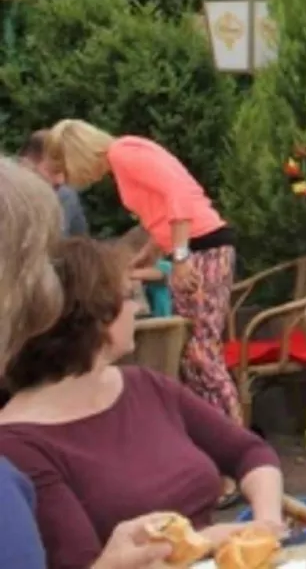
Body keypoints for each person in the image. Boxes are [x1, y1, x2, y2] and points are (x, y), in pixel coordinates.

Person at [0, 237, 284, 569]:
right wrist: (214, 538)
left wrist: (266, 523)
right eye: (129, 297)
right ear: (95, 318)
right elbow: (83, 562)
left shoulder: (144, 385)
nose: (138, 308)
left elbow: (249, 452)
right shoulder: (17, 444)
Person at [0, 158, 180, 569]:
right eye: (37, 266)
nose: (50, 294)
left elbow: (248, 454)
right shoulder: (13, 457)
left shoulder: (142, 385)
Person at [45, 121, 241, 421]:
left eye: (65, 168)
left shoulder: (125, 154)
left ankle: (235, 437)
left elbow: (178, 196)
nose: (66, 178)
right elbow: (161, 210)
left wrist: (180, 256)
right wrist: (148, 254)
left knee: (201, 354)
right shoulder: (124, 157)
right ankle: (216, 434)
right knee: (193, 354)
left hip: (204, 249)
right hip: (197, 247)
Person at [19, 130, 88, 238]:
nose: (60, 181)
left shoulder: (66, 196)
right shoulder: (6, 197)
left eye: (65, 172)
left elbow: (79, 247)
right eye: (54, 171)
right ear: (26, 164)